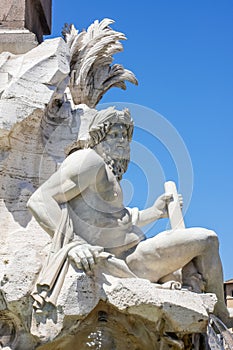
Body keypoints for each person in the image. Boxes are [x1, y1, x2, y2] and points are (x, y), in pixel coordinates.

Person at [27, 106, 231, 325]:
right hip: (127, 260)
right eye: (114, 134)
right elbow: (40, 200)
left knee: (201, 246)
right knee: (207, 239)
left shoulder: (108, 174)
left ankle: (209, 307)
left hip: (137, 250)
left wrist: (154, 212)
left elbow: (118, 221)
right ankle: (221, 315)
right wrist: (75, 245)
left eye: (125, 135)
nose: (122, 141)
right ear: (98, 137)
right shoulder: (88, 161)